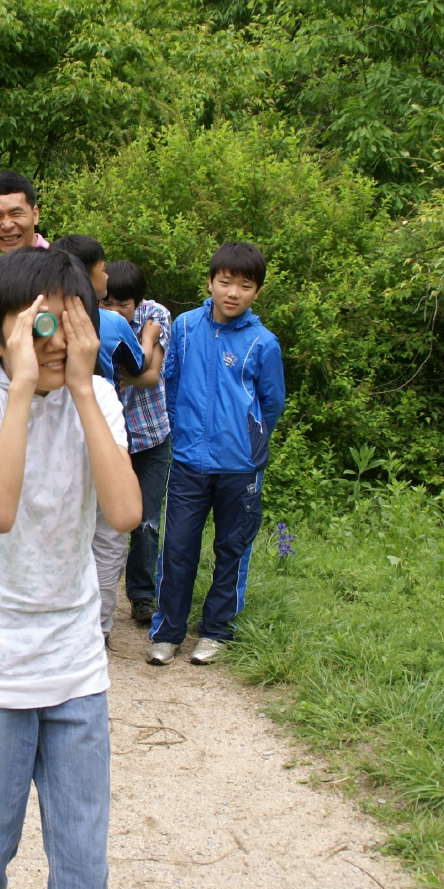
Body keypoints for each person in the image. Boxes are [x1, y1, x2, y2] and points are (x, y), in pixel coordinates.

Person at [0, 246, 139, 889]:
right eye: (39, 327)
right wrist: (22, 385)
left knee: (83, 862)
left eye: (71, 324)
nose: (57, 342)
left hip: (75, 662)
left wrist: (84, 388)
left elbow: (124, 511)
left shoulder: (98, 393)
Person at [148, 241, 285, 666]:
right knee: (178, 549)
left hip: (240, 468)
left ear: (256, 292)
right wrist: (180, 432)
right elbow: (168, 382)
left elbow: (272, 402)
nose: (232, 293)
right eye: (224, 282)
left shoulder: (263, 343)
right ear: (209, 282)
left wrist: (251, 447)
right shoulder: (186, 327)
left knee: (232, 548)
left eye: (244, 286)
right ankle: (167, 633)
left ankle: (215, 631)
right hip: (188, 463)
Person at [51, 234, 160, 640]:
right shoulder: (112, 322)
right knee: (109, 537)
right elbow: (140, 368)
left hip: (58, 434)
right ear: (88, 273)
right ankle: (97, 627)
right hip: (102, 430)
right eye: (101, 268)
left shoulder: (41, 316)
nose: (107, 275)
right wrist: (148, 337)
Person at [102, 260, 173, 625]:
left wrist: (121, 375)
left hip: (149, 435)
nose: (114, 311)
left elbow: (150, 375)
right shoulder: (93, 312)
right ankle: (95, 594)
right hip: (107, 437)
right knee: (101, 520)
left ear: (139, 301)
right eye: (108, 302)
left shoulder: (156, 314)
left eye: (123, 304)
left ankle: (142, 595)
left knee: (146, 520)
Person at [0, 170, 49, 254]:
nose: (7, 225)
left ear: (35, 215)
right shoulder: (0, 266)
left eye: (16, 214)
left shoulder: (60, 265)